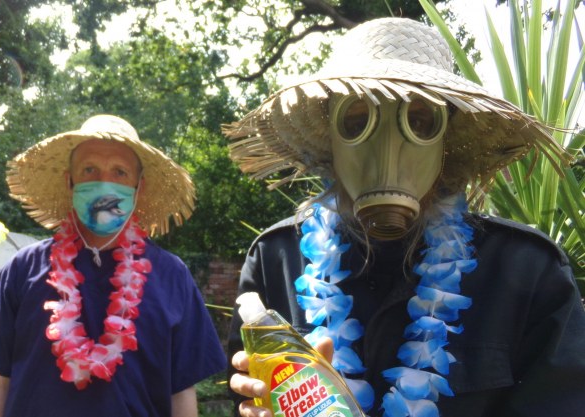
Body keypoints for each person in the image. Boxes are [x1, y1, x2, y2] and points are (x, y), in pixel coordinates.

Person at [222, 17, 585, 417]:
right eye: (357, 122)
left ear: (445, 140)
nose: (387, 152)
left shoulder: (527, 270)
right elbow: (252, 397)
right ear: (331, 139)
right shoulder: (276, 260)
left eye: (418, 122)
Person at [0, 114, 227, 417]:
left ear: (138, 187)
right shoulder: (22, 269)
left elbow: (181, 393)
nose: (104, 183)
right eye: (89, 170)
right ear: (69, 182)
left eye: (120, 172)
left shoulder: (172, 276)